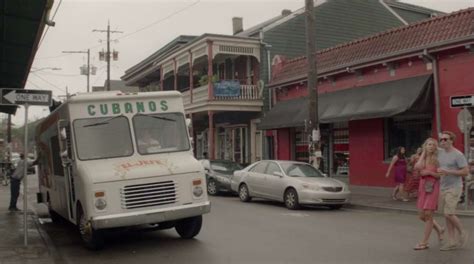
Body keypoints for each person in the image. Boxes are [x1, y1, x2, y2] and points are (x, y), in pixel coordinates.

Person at [436, 131, 469, 251]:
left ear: (451, 140)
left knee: (448, 213)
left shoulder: (458, 155)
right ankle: (451, 241)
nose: (443, 141)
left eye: (446, 139)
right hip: (443, 186)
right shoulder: (440, 153)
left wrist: (448, 172)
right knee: (446, 215)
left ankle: (463, 232)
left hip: (455, 187)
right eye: (441, 139)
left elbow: (465, 172)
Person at [413, 138, 444, 250]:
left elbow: (441, 175)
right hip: (423, 187)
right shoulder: (423, 157)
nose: (431, 146)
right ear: (425, 146)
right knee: (422, 216)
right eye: (428, 144)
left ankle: (424, 242)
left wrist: (430, 172)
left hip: (433, 187)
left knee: (428, 214)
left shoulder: (438, 159)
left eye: (433, 145)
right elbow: (417, 167)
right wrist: (423, 154)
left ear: (435, 147)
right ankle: (440, 229)